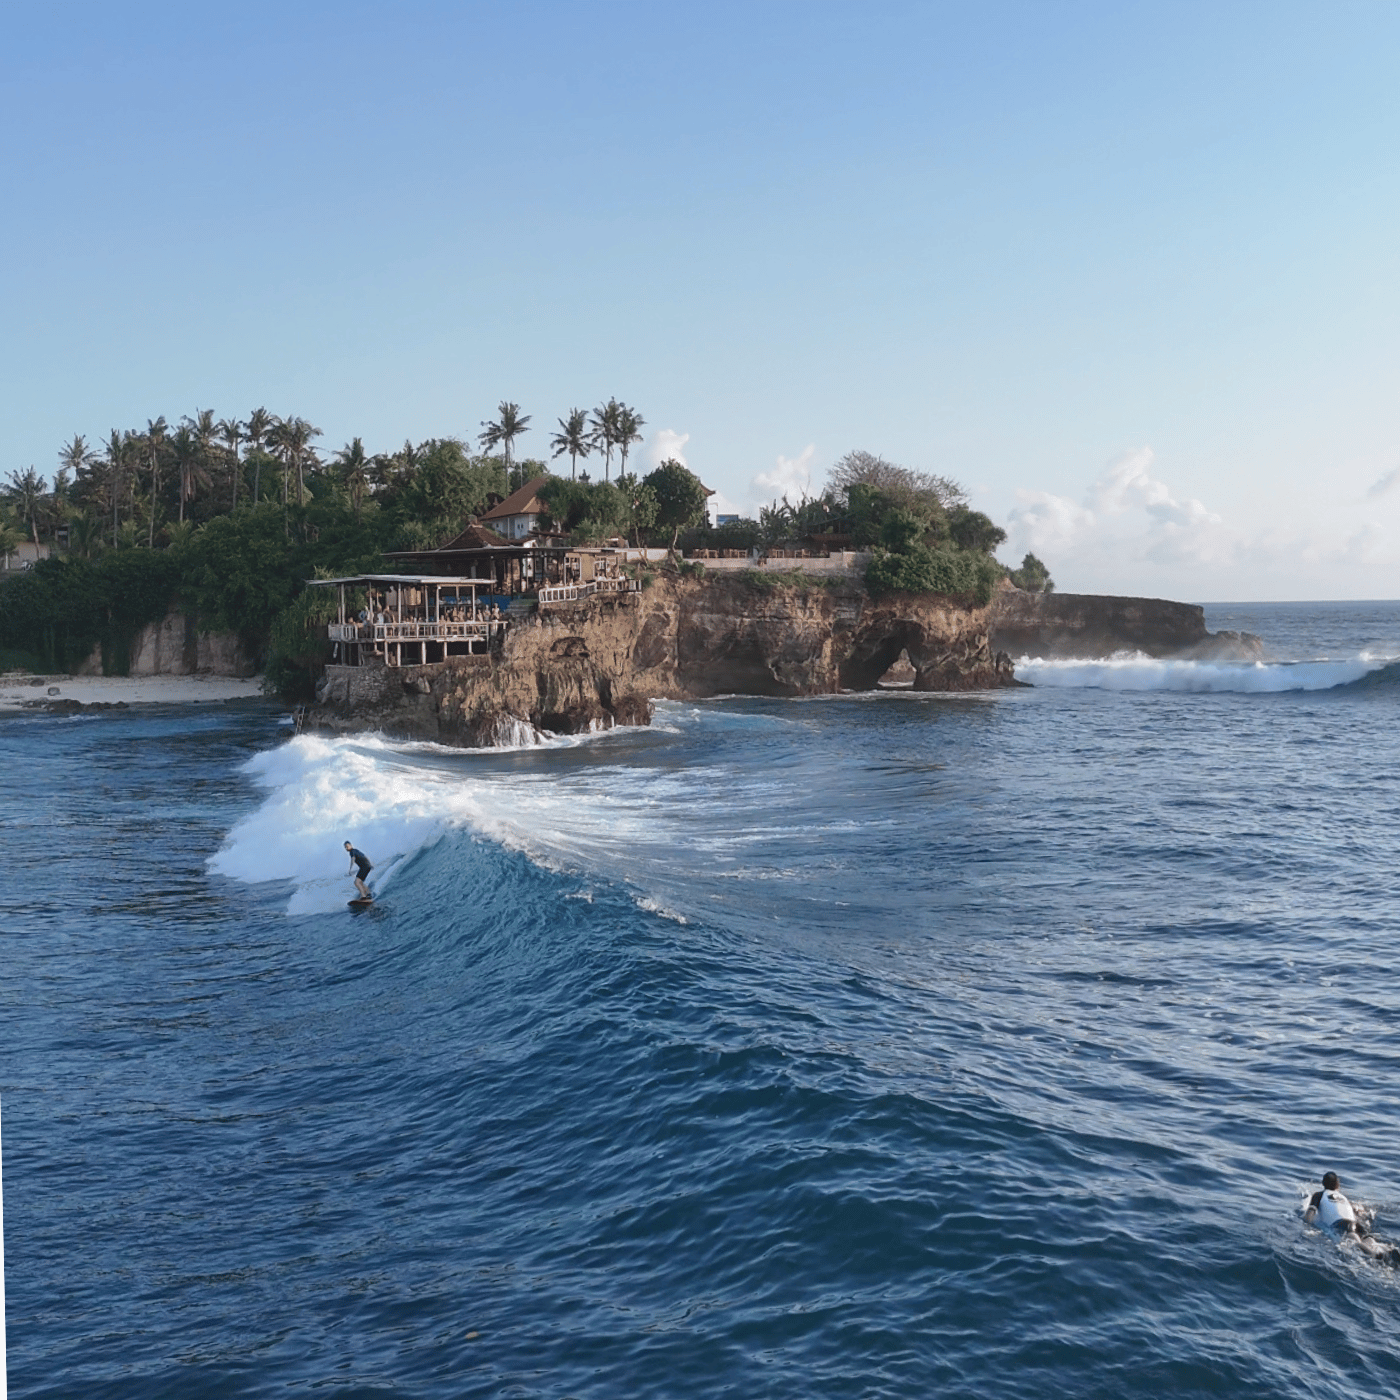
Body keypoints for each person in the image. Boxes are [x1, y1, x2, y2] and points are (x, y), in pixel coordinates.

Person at [1304, 1172, 1400, 1264]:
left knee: (1354, 1241)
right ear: (1338, 1185)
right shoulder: (1343, 1197)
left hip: (1341, 1223)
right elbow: (1356, 1210)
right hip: (1355, 1223)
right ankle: (1388, 1250)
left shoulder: (1318, 1195)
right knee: (1369, 1240)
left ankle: (1375, 1255)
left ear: (1323, 1184)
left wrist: (1307, 1224)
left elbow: (1310, 1214)